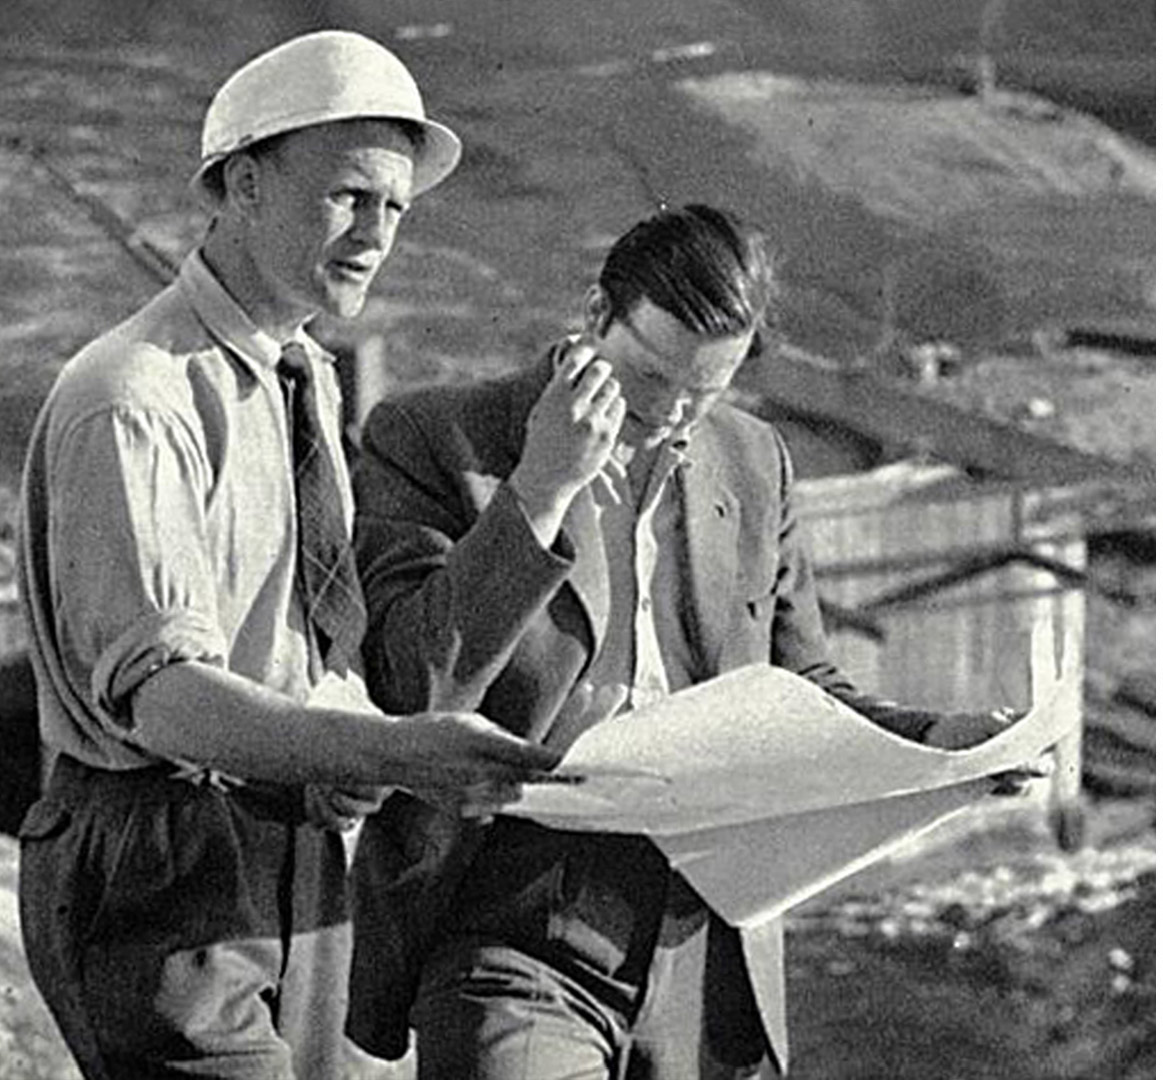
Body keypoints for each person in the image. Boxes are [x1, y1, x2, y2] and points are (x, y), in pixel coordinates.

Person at [344, 204, 1031, 1079]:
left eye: (703, 395)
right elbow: (410, 686)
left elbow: (804, 682)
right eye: (647, 380)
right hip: (513, 919)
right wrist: (539, 493)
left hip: (709, 936)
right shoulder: (437, 438)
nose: (667, 417)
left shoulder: (753, 460)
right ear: (596, 317)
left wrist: (940, 744)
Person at [14, 31, 563, 1079]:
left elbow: (304, 640)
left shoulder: (297, 377)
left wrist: (353, 733)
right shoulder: (133, 398)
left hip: (294, 853)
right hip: (161, 871)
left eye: (395, 209)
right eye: (350, 197)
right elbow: (165, 700)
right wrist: (389, 754)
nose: (376, 234)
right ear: (245, 184)